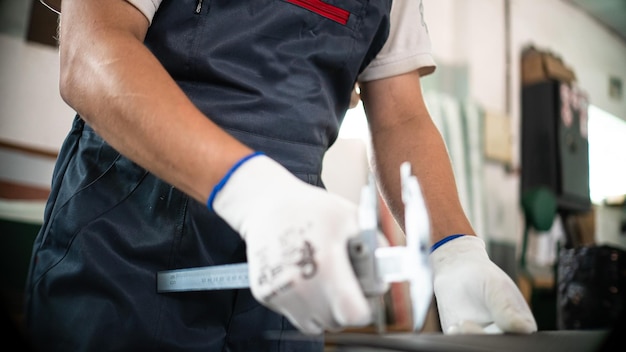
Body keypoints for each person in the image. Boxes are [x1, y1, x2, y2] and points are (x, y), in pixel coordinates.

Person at [25, 0, 537, 351]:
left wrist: (453, 248)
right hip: (130, 235)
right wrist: (252, 193)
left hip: (294, 243)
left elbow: (401, 114)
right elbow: (90, 49)